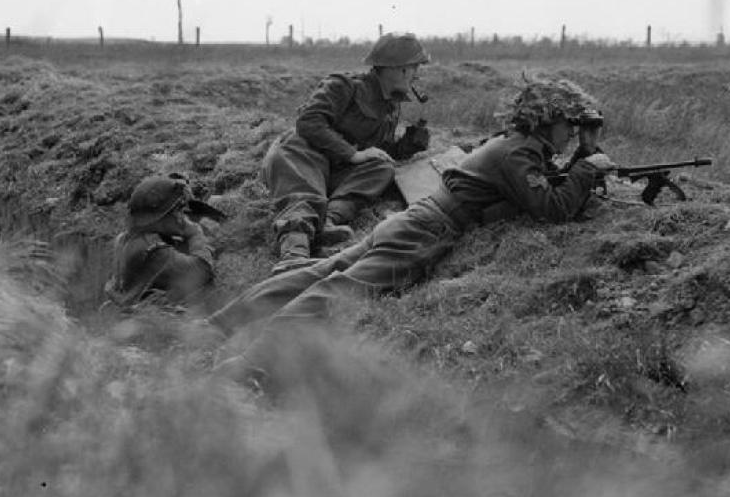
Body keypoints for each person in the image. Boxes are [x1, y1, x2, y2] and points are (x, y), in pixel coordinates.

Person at [209, 76, 615, 379]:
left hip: (415, 218)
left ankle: (215, 327)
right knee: (335, 290)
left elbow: (543, 185)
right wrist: (585, 168)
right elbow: (552, 207)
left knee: (320, 273)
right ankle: (248, 365)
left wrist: (584, 154)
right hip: (425, 231)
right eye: (569, 125)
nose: (572, 133)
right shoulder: (519, 152)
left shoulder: (514, 144)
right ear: (547, 121)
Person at [262, 32, 432, 274]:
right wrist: (352, 154)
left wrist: (407, 145)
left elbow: (375, 150)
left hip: (336, 166)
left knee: (382, 167)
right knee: (302, 184)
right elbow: (309, 122)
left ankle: (328, 223)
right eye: (415, 67)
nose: (417, 74)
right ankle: (294, 251)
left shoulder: (390, 105)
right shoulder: (345, 85)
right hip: (303, 153)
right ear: (399, 69)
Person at [108, 173, 216, 310]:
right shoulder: (153, 250)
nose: (182, 217)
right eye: (178, 210)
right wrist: (195, 234)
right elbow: (202, 271)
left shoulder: (125, 238)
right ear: (160, 218)